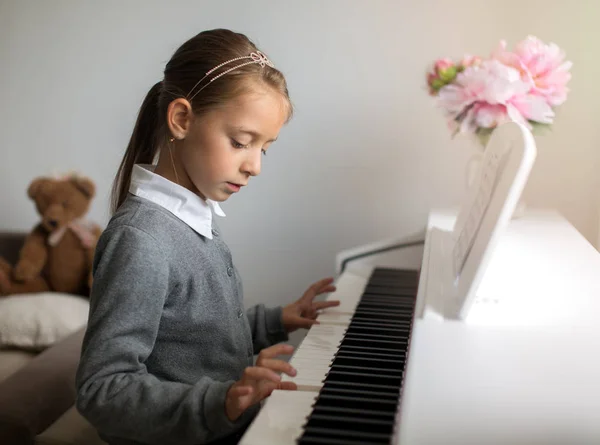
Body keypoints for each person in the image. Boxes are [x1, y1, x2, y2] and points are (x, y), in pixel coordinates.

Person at [75, 28, 339, 445]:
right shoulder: (141, 240)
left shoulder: (193, 217)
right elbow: (102, 389)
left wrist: (276, 320)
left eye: (264, 148)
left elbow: (193, 338)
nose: (255, 166)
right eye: (240, 142)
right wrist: (221, 402)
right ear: (181, 119)